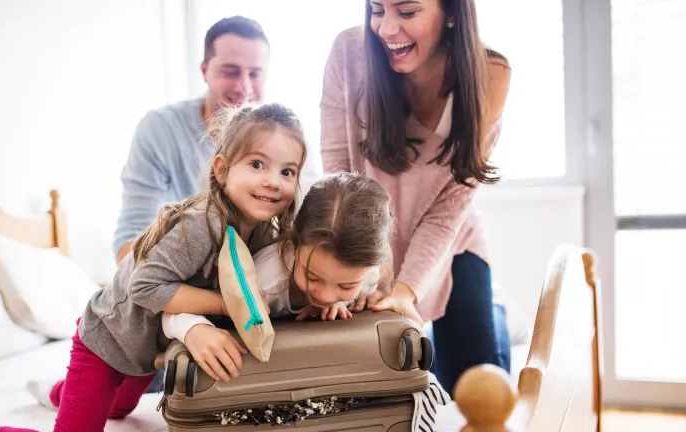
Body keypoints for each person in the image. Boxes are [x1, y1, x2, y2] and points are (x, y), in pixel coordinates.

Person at [0, 102, 308, 432]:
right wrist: (224, 303)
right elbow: (145, 287)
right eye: (257, 165)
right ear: (221, 169)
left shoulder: (264, 230)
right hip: (106, 340)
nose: (273, 181)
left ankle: (56, 391)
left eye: (287, 171)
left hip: (146, 349)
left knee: (119, 409)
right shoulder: (200, 226)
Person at [319, 0, 512, 394]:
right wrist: (361, 270)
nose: (387, 29)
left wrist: (406, 291)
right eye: (377, 9)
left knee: (475, 386)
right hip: (371, 240)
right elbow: (339, 174)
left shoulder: (489, 74)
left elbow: (449, 211)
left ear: (453, 13)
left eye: (407, 12)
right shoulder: (349, 53)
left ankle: (498, 312)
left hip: (451, 243)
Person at [161, 172, 394, 382]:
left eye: (346, 285)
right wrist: (193, 329)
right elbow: (171, 308)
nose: (325, 295)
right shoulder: (265, 279)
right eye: (312, 276)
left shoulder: (368, 273)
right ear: (294, 243)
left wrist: (345, 302)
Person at [113, 15, 271, 265]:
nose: (244, 87)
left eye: (255, 73)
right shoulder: (159, 130)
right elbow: (129, 246)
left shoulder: (285, 136)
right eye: (230, 72)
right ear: (204, 71)